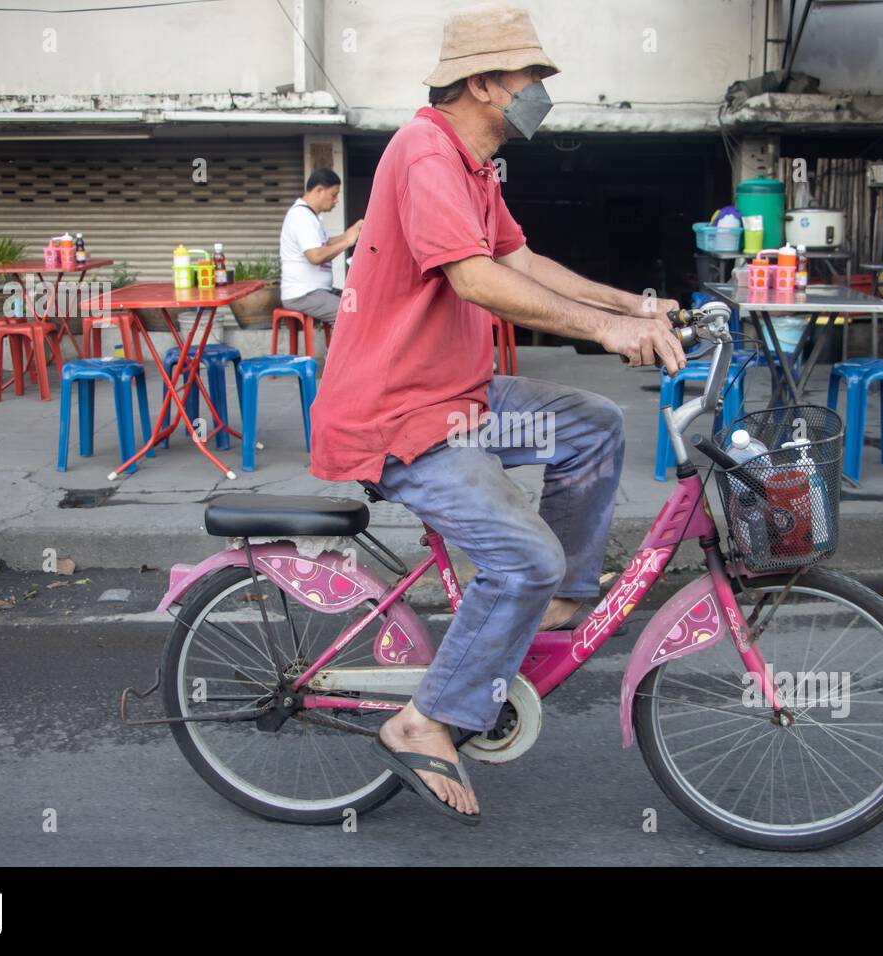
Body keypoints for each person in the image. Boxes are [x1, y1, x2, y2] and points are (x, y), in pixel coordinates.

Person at [307, 1, 684, 824]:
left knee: (592, 424)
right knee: (521, 556)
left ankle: (560, 599)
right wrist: (610, 332)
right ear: (482, 83)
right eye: (530, 80)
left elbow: (520, 258)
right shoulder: (424, 152)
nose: (539, 94)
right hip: (401, 417)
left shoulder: (474, 166)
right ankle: (425, 719)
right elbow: (476, 279)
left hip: (462, 403)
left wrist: (639, 305)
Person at [278, 168, 363, 326]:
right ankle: (335, 352)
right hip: (303, 294)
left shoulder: (311, 216)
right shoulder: (301, 217)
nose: (336, 200)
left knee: (360, 303)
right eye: (333, 194)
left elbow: (326, 244)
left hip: (318, 291)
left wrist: (351, 232)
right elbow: (315, 256)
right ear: (319, 190)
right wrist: (347, 242)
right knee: (349, 314)